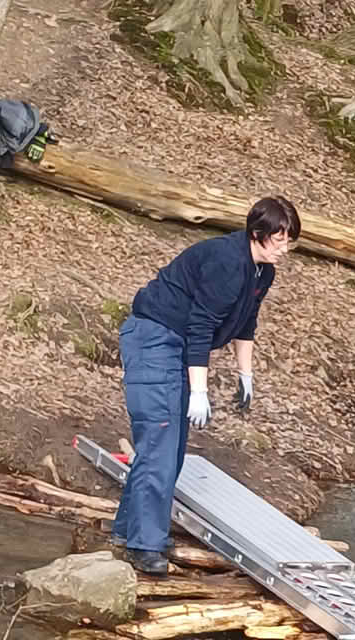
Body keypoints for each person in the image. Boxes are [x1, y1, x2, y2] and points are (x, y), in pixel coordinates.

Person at [109, 196, 299, 576]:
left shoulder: (262, 272)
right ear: (257, 233)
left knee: (172, 445)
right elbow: (201, 328)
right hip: (154, 338)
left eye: (289, 241)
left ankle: (129, 531)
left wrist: (246, 375)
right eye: (279, 240)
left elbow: (246, 323)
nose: (284, 249)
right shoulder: (226, 262)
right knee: (160, 442)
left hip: (179, 345)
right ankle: (144, 546)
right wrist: (199, 392)